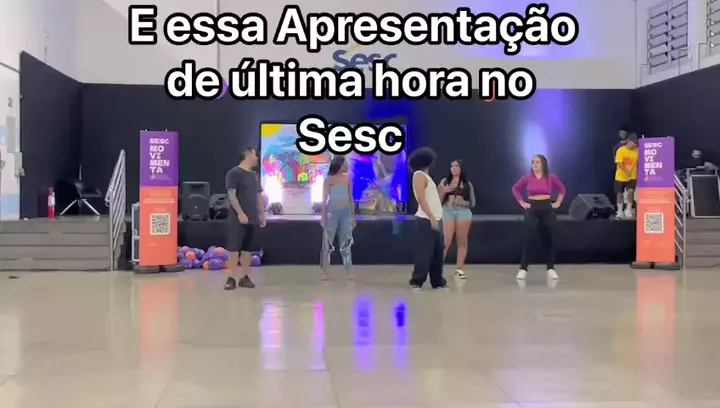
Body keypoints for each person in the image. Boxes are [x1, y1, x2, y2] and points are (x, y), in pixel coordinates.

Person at [512, 154, 566, 281]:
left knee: (549, 237)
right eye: (533, 162)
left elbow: (562, 189)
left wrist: (558, 202)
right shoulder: (527, 178)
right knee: (529, 236)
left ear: (543, 164)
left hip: (547, 207)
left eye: (537, 162)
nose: (534, 164)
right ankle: (523, 268)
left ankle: (550, 268)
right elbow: (515, 189)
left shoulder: (550, 177)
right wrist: (521, 202)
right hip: (532, 207)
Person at [224, 147, 266, 290]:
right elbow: (231, 195)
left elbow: (259, 195)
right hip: (237, 219)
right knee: (234, 249)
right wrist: (240, 213)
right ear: (247, 155)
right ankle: (231, 278)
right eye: (255, 155)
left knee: (248, 249)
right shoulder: (233, 173)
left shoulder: (254, 176)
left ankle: (245, 277)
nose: (257, 158)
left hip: (253, 218)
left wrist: (262, 214)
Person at [409, 147, 448, 291]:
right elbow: (421, 198)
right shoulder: (419, 175)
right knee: (424, 252)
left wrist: (441, 192)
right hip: (425, 219)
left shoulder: (427, 177)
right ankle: (416, 281)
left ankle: (437, 282)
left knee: (438, 253)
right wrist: (431, 217)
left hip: (436, 218)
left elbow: (432, 199)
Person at [320, 155, 356, 281]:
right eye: (345, 163)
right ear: (339, 165)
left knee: (346, 241)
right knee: (328, 242)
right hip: (332, 213)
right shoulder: (329, 180)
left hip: (346, 212)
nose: (347, 165)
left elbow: (351, 198)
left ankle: (349, 270)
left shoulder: (348, 179)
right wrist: (323, 218)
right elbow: (324, 200)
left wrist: (353, 216)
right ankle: (325, 271)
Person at [438, 160, 475, 279]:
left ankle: (459, 269)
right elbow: (437, 200)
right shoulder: (444, 181)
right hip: (447, 211)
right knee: (446, 241)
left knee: (462, 240)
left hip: (462, 212)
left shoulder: (467, 184)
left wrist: (464, 202)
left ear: (461, 168)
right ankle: (437, 268)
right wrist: (445, 191)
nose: (454, 168)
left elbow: (472, 203)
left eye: (456, 166)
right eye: (452, 166)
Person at [614, 133, 639, 219]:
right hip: (620, 176)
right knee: (620, 193)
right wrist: (626, 171)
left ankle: (628, 209)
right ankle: (620, 210)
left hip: (632, 176)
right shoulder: (621, 150)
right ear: (629, 141)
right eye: (634, 143)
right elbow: (619, 163)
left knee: (631, 192)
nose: (635, 145)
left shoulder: (637, 151)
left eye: (636, 143)